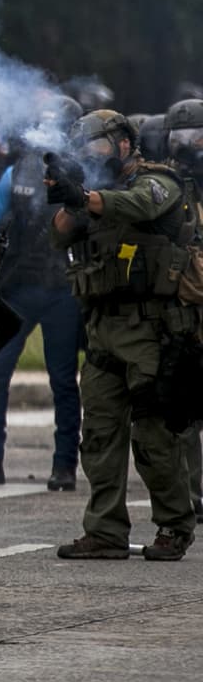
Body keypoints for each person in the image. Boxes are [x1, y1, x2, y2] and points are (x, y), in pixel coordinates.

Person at [49, 110, 196, 560]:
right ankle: (105, 531)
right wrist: (70, 196)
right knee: (99, 436)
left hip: (151, 330)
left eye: (100, 145)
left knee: (154, 437)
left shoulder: (159, 181)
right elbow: (60, 233)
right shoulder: (94, 193)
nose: (93, 154)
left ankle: (174, 525)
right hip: (102, 330)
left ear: (125, 144)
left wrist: (88, 197)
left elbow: (139, 206)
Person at [0, 95, 83, 490]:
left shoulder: (85, 176)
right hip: (19, 288)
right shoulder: (17, 173)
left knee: (63, 379)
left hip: (64, 290)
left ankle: (64, 466)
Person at [162, 99, 203, 524]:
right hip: (187, 304)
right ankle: (192, 494)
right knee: (186, 404)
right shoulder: (168, 185)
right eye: (179, 140)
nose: (188, 147)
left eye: (197, 139)